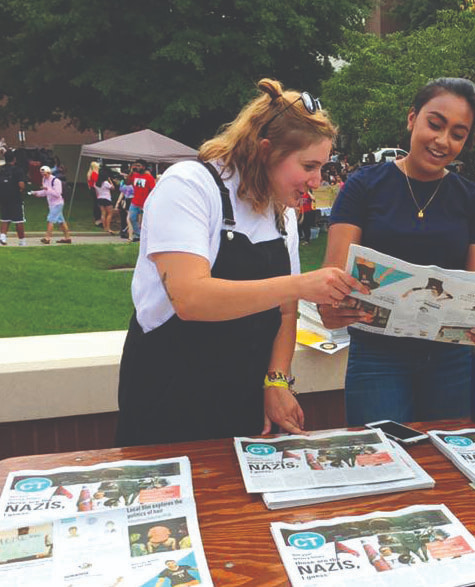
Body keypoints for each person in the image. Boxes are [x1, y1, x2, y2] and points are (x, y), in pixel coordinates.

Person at [115, 78, 366, 447]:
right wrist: (301, 284)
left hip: (243, 398)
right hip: (168, 396)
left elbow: (284, 313)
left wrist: (277, 379)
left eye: (322, 167)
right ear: (266, 151)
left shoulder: (282, 216)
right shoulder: (188, 186)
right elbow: (190, 298)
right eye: (309, 166)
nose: (317, 180)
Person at [319, 77, 475, 426]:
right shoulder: (363, 186)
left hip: (452, 359)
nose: (442, 141)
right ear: (411, 119)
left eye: (458, 134)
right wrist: (331, 306)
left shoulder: (473, 200)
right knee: (380, 458)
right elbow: (331, 275)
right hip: (377, 355)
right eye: (435, 124)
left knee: (450, 460)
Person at [31, 165, 72, 244]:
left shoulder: (56, 181)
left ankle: (47, 238)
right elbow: (45, 192)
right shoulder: (44, 180)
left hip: (57, 203)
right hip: (52, 204)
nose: (43, 175)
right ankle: (67, 238)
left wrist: (47, 189)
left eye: (45, 174)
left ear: (49, 172)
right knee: (61, 221)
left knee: (50, 219)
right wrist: (37, 193)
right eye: (42, 174)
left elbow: (57, 194)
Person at [0, 150, 27, 246]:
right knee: (18, 220)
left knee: (5, 219)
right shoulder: (18, 170)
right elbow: (21, 185)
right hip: (15, 198)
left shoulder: (1, 169)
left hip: (3, 197)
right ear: (14, 159)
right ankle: (22, 241)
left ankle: (2, 236)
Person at [127, 159, 156, 242]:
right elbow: (127, 182)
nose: (137, 167)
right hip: (135, 202)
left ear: (144, 167)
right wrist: (131, 172)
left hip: (144, 203)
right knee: (132, 218)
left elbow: (152, 190)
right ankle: (138, 234)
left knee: (144, 222)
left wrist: (149, 202)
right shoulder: (134, 175)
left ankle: (142, 236)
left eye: (139, 166)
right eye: (136, 165)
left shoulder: (149, 178)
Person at [94, 165, 116, 235]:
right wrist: (110, 181)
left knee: (103, 213)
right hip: (107, 198)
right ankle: (108, 227)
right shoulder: (106, 183)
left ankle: (104, 227)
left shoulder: (96, 183)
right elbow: (113, 188)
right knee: (110, 213)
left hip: (99, 198)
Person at [86, 161, 101, 227]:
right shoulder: (94, 173)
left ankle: (96, 218)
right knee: (98, 204)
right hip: (96, 189)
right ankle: (98, 219)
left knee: (95, 203)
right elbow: (97, 181)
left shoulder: (89, 173)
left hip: (92, 189)